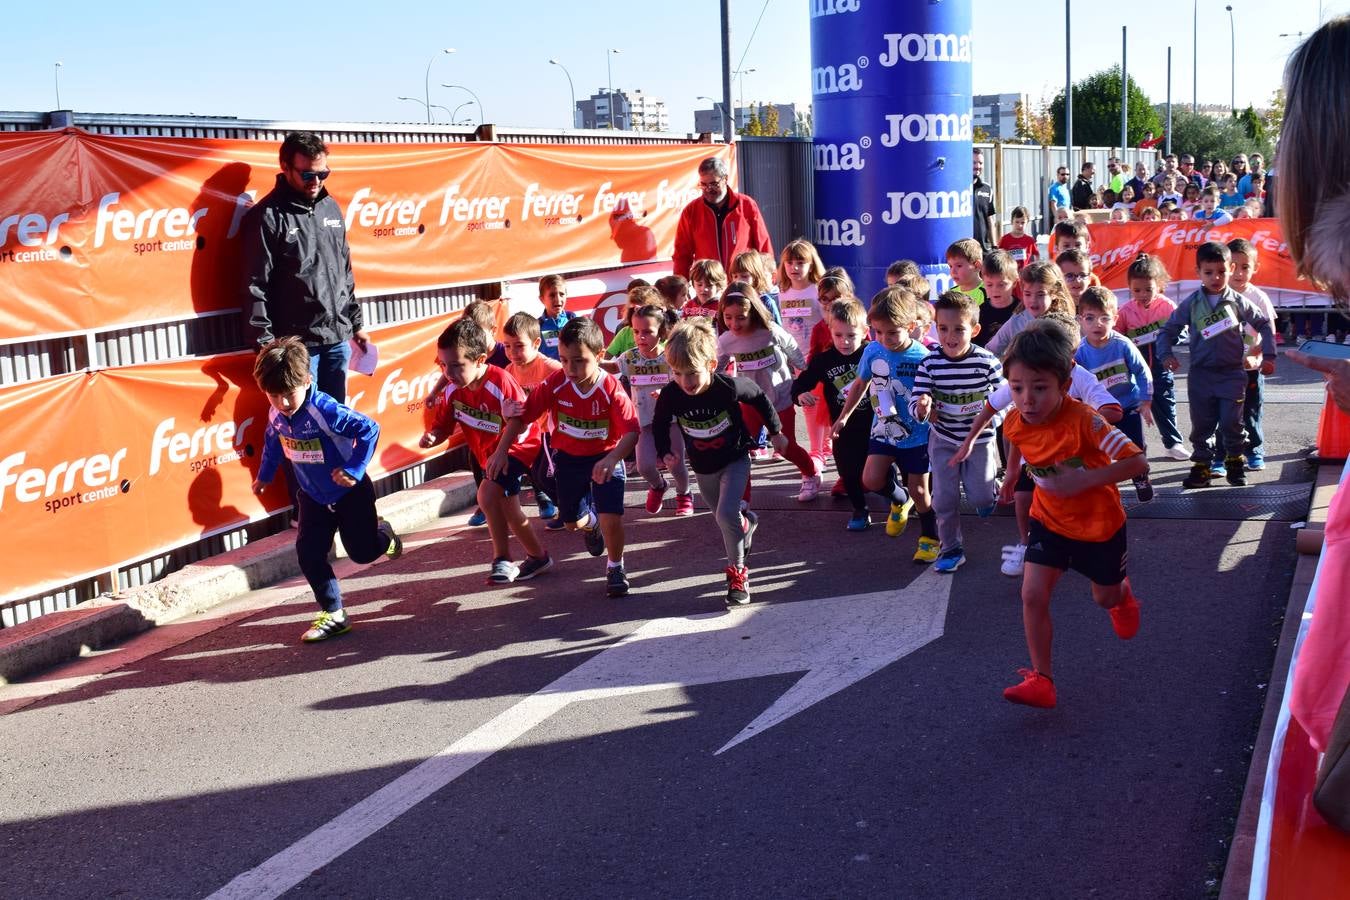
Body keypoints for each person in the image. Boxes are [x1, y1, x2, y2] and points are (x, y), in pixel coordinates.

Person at [998, 318, 1148, 709]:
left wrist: (1083, 481)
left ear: (1065, 385)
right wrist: (1012, 473)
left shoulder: (1086, 420)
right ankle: (1042, 679)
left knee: (1104, 598)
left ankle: (1123, 597)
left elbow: (1138, 464)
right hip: (1049, 521)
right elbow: (1014, 437)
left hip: (1099, 528)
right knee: (1031, 594)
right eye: (1017, 388)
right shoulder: (1017, 418)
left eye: (1040, 388)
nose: (1027, 399)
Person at [250, 337, 401, 643]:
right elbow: (272, 443)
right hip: (312, 497)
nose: (284, 404)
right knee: (308, 553)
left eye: (290, 394)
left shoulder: (325, 410)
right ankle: (334, 614)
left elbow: (369, 429)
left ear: (308, 380)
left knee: (360, 553)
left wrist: (354, 470)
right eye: (274, 396)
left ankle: (383, 535)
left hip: (350, 494)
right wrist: (264, 476)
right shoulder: (276, 414)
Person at [496, 317, 640, 597]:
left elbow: (632, 432)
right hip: (569, 460)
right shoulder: (556, 383)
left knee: (612, 516)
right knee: (573, 521)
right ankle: (592, 525)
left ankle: (615, 567)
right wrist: (501, 451)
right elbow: (523, 417)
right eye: (563, 360)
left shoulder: (610, 387)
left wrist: (611, 460)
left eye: (579, 361)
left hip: (606, 456)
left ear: (599, 356)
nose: (570, 368)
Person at [653, 319, 788, 606]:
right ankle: (746, 523)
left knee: (726, 515)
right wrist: (664, 451)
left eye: (692, 373)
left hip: (735, 458)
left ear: (712, 364)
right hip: (703, 466)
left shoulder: (727, 387)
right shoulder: (671, 394)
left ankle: (738, 575)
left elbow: (760, 397)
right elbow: (660, 422)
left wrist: (776, 433)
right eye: (677, 373)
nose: (685, 381)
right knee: (724, 519)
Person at [421, 319, 552, 585]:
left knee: (487, 493)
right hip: (488, 453)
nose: (449, 372)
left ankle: (501, 559)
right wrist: (433, 436)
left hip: (517, 446)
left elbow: (518, 420)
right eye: (444, 365)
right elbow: (444, 425)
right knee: (509, 508)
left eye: (457, 365)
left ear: (480, 360)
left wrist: (502, 452)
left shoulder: (500, 380)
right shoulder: (452, 390)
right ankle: (538, 556)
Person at [243, 132, 366, 404]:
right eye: (308, 175)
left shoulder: (331, 207)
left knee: (335, 421)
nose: (317, 182)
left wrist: (356, 324)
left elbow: (344, 271)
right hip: (296, 349)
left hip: (337, 340)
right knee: (302, 424)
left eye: (323, 174)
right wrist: (266, 346)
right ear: (285, 168)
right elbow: (254, 286)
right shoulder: (267, 216)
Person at [1158, 241, 1276, 489]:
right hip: (1200, 375)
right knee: (1202, 424)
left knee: (1232, 422)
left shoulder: (1237, 301)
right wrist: (1165, 354)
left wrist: (1269, 355)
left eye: (1221, 272)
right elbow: (1168, 330)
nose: (1216, 277)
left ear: (1231, 268)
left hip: (1232, 374)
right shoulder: (1191, 303)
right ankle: (1202, 467)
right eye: (1208, 272)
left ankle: (1235, 461)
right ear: (1197, 272)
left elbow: (1264, 323)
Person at [833, 286, 939, 562]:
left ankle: (930, 537)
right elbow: (860, 384)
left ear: (911, 326)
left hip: (916, 434)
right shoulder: (872, 351)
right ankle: (899, 499)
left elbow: (933, 393)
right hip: (882, 429)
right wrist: (844, 416)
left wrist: (929, 405)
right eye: (878, 332)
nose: (884, 339)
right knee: (870, 479)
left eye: (892, 332)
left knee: (921, 491)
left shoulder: (923, 358)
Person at [911, 290, 1005, 573]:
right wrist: (922, 407)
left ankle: (990, 490)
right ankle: (951, 548)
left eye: (958, 329)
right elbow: (917, 400)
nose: (950, 336)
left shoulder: (987, 362)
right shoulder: (929, 363)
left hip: (979, 440)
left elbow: (1006, 399)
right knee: (944, 499)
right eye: (942, 328)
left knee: (980, 499)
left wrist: (994, 418)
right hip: (944, 440)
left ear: (974, 330)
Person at [715, 283, 821, 499]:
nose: (734, 323)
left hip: (779, 398)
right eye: (728, 317)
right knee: (740, 451)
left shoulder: (769, 331)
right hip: (749, 402)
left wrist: (804, 371)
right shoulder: (726, 340)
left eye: (741, 317)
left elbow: (791, 346)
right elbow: (715, 366)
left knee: (786, 446)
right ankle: (742, 498)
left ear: (753, 311)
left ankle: (811, 474)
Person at [792, 298, 872, 530]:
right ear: (830, 331)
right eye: (838, 335)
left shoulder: (872, 353)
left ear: (865, 332)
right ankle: (860, 510)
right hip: (841, 428)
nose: (845, 341)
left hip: (874, 424)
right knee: (848, 471)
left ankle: (899, 497)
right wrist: (800, 395)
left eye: (851, 335)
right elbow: (800, 384)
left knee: (879, 474)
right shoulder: (824, 360)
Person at [1075, 286, 1156, 501]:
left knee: (1133, 448)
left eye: (1104, 318)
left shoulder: (1122, 345)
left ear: (1115, 318)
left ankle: (1140, 478)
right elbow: (1075, 383)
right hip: (1098, 412)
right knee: (1097, 452)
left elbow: (1142, 371)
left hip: (1127, 406)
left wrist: (1145, 401)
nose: (1097, 324)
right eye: (1090, 318)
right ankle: (1100, 487)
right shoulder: (1080, 353)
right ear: (1080, 320)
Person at [617, 303, 694, 516]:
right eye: (636, 332)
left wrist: (666, 394)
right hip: (643, 420)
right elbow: (612, 367)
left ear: (660, 332)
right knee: (644, 467)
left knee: (676, 463)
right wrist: (594, 361)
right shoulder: (629, 357)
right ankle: (659, 485)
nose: (641, 337)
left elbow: (682, 382)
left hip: (669, 419)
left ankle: (684, 493)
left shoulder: (671, 355)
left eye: (647, 332)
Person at [1115, 253, 1189, 460]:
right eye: (1136, 290)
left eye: (1148, 289)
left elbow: (1182, 329)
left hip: (1160, 365)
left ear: (1160, 285)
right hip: (1134, 370)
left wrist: (1170, 338)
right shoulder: (1125, 311)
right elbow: (1117, 337)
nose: (1143, 294)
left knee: (1165, 403)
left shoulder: (1167, 306)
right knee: (1131, 406)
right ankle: (1131, 446)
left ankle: (1173, 442)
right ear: (1129, 287)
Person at [501, 311, 564, 528]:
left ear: (537, 343)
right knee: (538, 477)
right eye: (507, 346)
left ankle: (576, 507)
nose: (512, 352)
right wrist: (506, 410)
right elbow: (508, 405)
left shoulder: (551, 368)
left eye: (519, 345)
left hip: (554, 431)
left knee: (548, 476)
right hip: (532, 434)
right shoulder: (508, 371)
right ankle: (568, 508)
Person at [1222, 238, 1278, 472]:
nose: (1239, 273)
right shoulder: (1216, 296)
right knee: (1224, 414)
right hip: (1223, 368)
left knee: (1251, 411)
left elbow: (1270, 332)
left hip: (1250, 368)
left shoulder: (1259, 298)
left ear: (1255, 268)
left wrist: (1256, 352)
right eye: (1234, 266)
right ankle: (1224, 454)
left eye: (1246, 267)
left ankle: (1254, 450)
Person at [775, 239, 832, 462]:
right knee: (808, 403)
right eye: (789, 262)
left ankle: (824, 444)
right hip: (796, 358)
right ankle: (816, 449)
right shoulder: (781, 292)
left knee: (825, 400)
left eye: (800, 262)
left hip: (818, 355)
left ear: (811, 265)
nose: (794, 268)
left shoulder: (816, 290)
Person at [672, 156, 773, 279]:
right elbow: (682, 254)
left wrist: (768, 278)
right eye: (703, 185)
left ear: (725, 179)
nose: (708, 189)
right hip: (710, 286)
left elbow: (763, 246)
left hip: (742, 283)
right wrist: (680, 284)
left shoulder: (746, 205)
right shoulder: (691, 211)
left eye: (714, 184)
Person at [976, 250, 1019, 350]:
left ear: (1015, 283)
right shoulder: (980, 311)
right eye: (989, 284)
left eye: (1001, 284)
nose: (995, 289)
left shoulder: (1020, 310)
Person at [536, 274, 574, 362]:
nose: (558, 299)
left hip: (571, 373)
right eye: (552, 295)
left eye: (562, 294)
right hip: (549, 374)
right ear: (542, 299)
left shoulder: (572, 319)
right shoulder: (537, 326)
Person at [946, 238, 987, 305]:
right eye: (950, 266)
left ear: (976, 266)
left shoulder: (988, 291)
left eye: (959, 266)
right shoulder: (950, 294)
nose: (953, 271)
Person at [972, 148, 998, 250]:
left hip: (983, 250)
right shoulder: (958, 189)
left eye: (980, 163)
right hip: (964, 252)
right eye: (973, 162)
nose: (977, 166)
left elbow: (990, 219)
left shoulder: (987, 189)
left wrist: (994, 246)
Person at [997, 206, 1038, 271]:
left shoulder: (1030, 241)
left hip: (1025, 276)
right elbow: (999, 258)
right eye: (1017, 222)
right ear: (1011, 222)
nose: (1020, 225)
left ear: (1027, 223)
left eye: (1023, 222)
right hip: (1009, 275)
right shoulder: (1004, 240)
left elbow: (1036, 257)